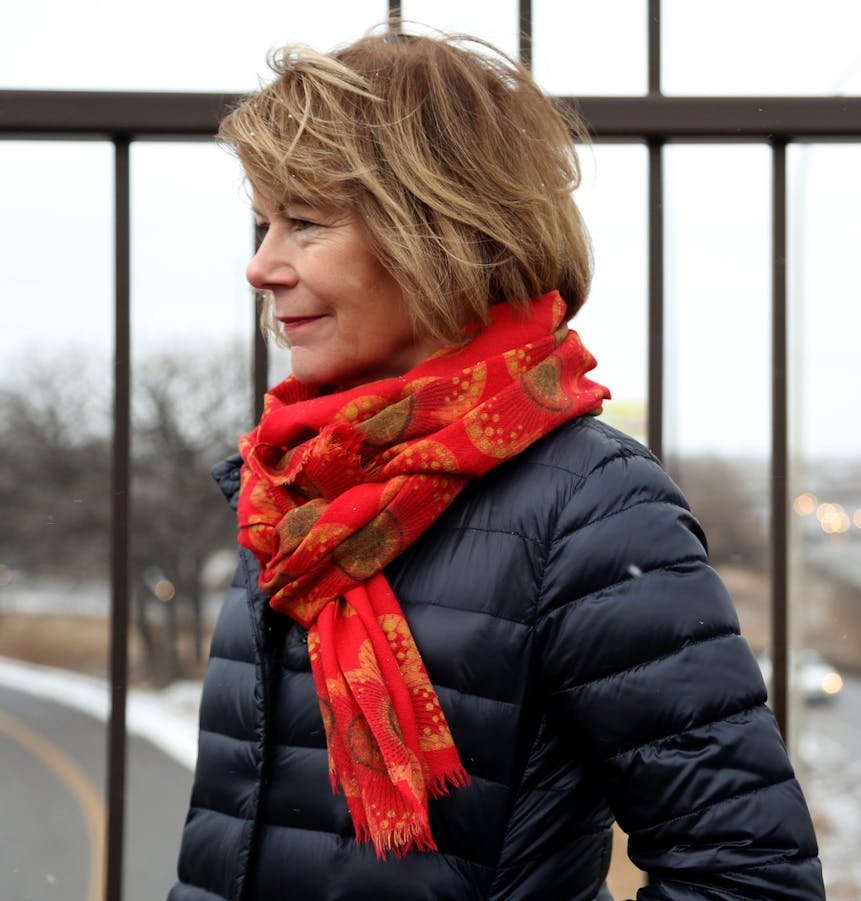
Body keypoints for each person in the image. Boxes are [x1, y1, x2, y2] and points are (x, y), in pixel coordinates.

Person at [169, 24, 825, 901]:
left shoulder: (592, 506)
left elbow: (746, 876)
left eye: (306, 223)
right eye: (263, 222)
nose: (260, 265)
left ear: (434, 230)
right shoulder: (291, 493)